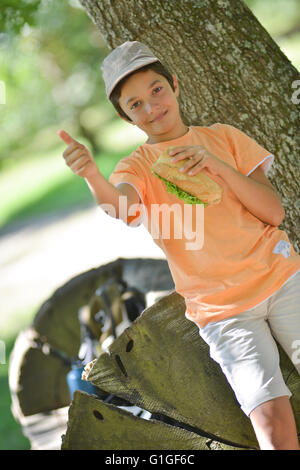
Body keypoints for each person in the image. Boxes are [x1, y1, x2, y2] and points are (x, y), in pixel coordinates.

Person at [58, 41, 300, 450]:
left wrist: (214, 164)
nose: (152, 107)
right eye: (135, 104)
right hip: (223, 311)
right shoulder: (137, 167)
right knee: (270, 418)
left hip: (281, 277)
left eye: (156, 90)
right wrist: (92, 176)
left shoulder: (224, 137)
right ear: (126, 116)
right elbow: (120, 204)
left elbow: (273, 212)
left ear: (173, 83)